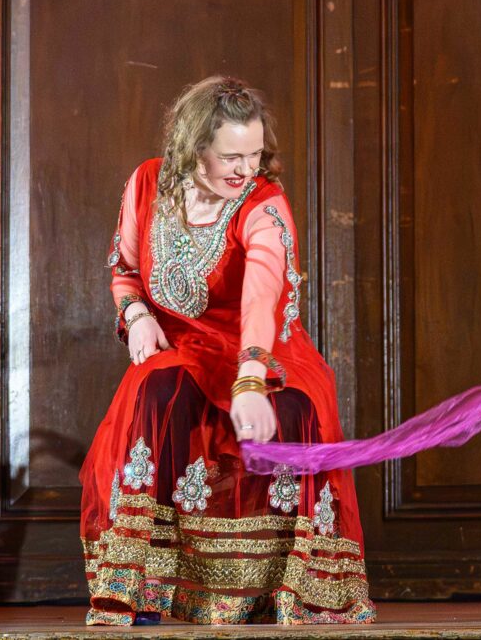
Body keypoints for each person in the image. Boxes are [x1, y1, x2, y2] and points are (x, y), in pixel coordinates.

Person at [79, 77, 376, 625]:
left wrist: (250, 379)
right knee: (154, 389)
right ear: (195, 149)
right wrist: (137, 315)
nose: (246, 169)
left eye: (256, 154)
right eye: (231, 156)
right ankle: (141, 587)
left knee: (295, 409)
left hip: (260, 349)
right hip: (181, 346)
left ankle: (275, 594)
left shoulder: (264, 203)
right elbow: (124, 271)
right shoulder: (146, 184)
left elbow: (263, 296)